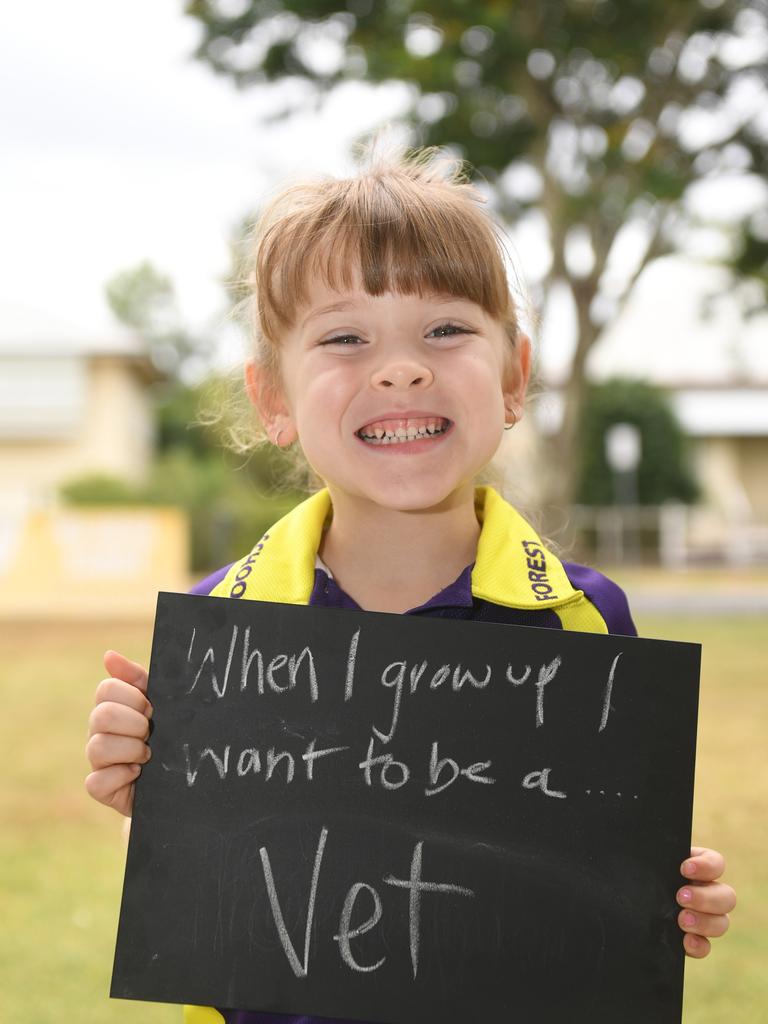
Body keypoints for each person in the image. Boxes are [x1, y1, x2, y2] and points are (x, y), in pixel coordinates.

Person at [85, 142, 736, 1024]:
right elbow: (218, 893)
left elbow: (586, 865)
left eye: (446, 329)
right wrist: (148, 797)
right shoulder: (219, 629)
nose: (401, 368)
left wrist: (661, 891)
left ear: (514, 375)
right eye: (346, 337)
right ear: (273, 397)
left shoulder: (585, 618)